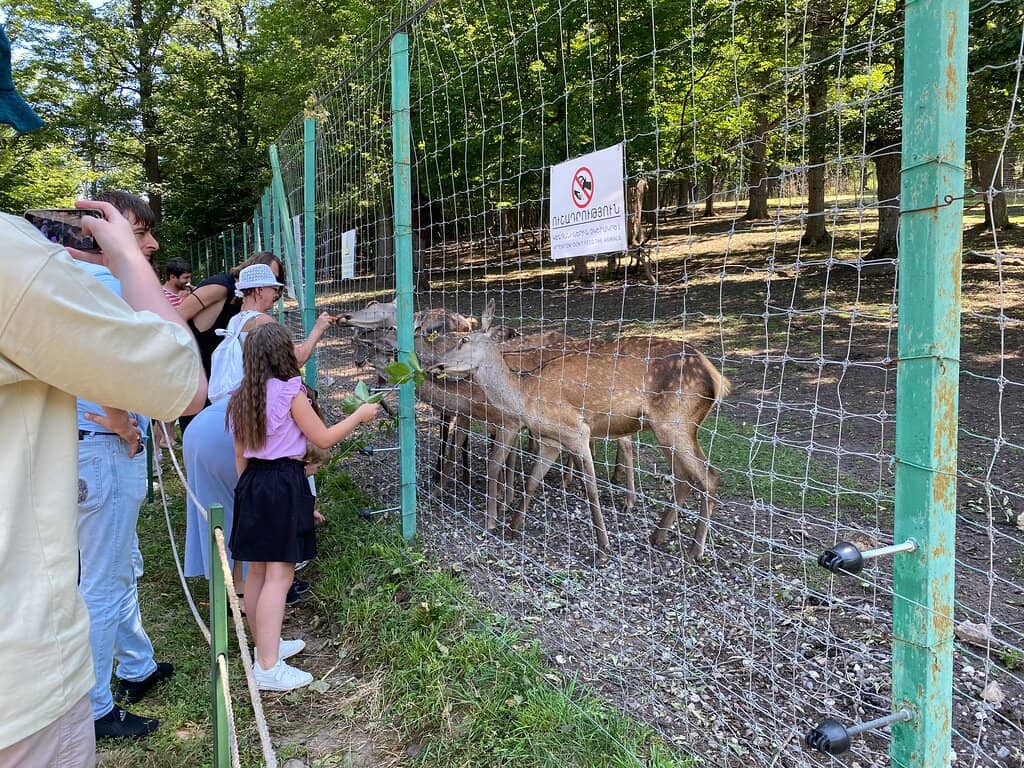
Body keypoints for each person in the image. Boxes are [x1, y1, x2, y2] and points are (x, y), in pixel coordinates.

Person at [72, 192, 182, 741]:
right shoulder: (110, 285)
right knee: (103, 579)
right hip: (106, 444)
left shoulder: (66, 278)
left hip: (94, 444)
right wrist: (122, 422)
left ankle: (135, 666)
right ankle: (92, 708)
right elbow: (100, 359)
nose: (152, 243)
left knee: (120, 562)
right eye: (138, 231)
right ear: (102, 233)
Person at [227, 323, 380, 690]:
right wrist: (359, 416)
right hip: (282, 481)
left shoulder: (241, 397)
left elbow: (240, 457)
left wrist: (256, 497)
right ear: (284, 353)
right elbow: (323, 438)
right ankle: (267, 667)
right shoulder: (290, 391)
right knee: (280, 576)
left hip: (253, 484)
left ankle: (268, 645)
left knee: (258, 574)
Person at [182, 263, 334, 594]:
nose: (277, 295)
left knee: (225, 507)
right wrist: (319, 329)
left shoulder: (234, 323)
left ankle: (232, 586)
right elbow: (296, 359)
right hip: (235, 424)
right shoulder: (263, 325)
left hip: (206, 422)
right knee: (258, 504)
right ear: (260, 290)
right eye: (275, 289)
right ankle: (268, 588)